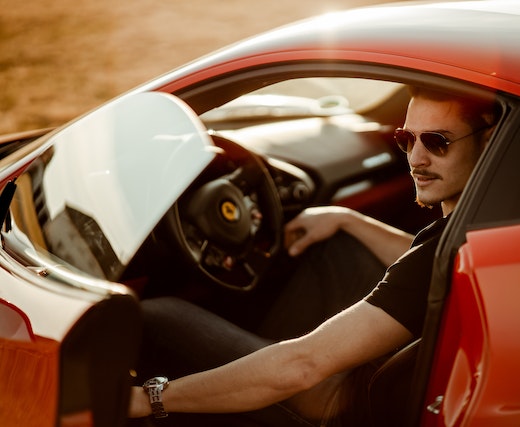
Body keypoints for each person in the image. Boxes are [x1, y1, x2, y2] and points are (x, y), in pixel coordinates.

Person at [128, 85, 499, 426]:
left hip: (338, 409)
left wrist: (151, 398)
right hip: (372, 375)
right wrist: (346, 219)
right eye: (406, 138)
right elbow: (423, 272)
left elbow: (302, 368)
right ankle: (259, 363)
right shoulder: (489, 219)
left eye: (437, 142)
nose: (416, 159)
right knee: (334, 245)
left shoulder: (450, 248)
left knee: (155, 314)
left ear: (487, 139)